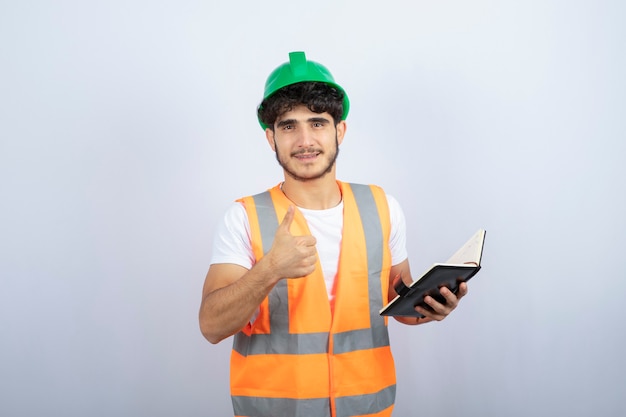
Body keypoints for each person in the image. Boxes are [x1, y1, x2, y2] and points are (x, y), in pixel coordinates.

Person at [199, 51, 468, 417]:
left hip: (367, 409)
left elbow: (398, 299)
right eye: (288, 126)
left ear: (339, 130)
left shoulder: (382, 207)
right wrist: (270, 268)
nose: (304, 140)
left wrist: (430, 307)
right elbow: (212, 326)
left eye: (317, 123)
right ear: (270, 138)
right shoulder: (243, 218)